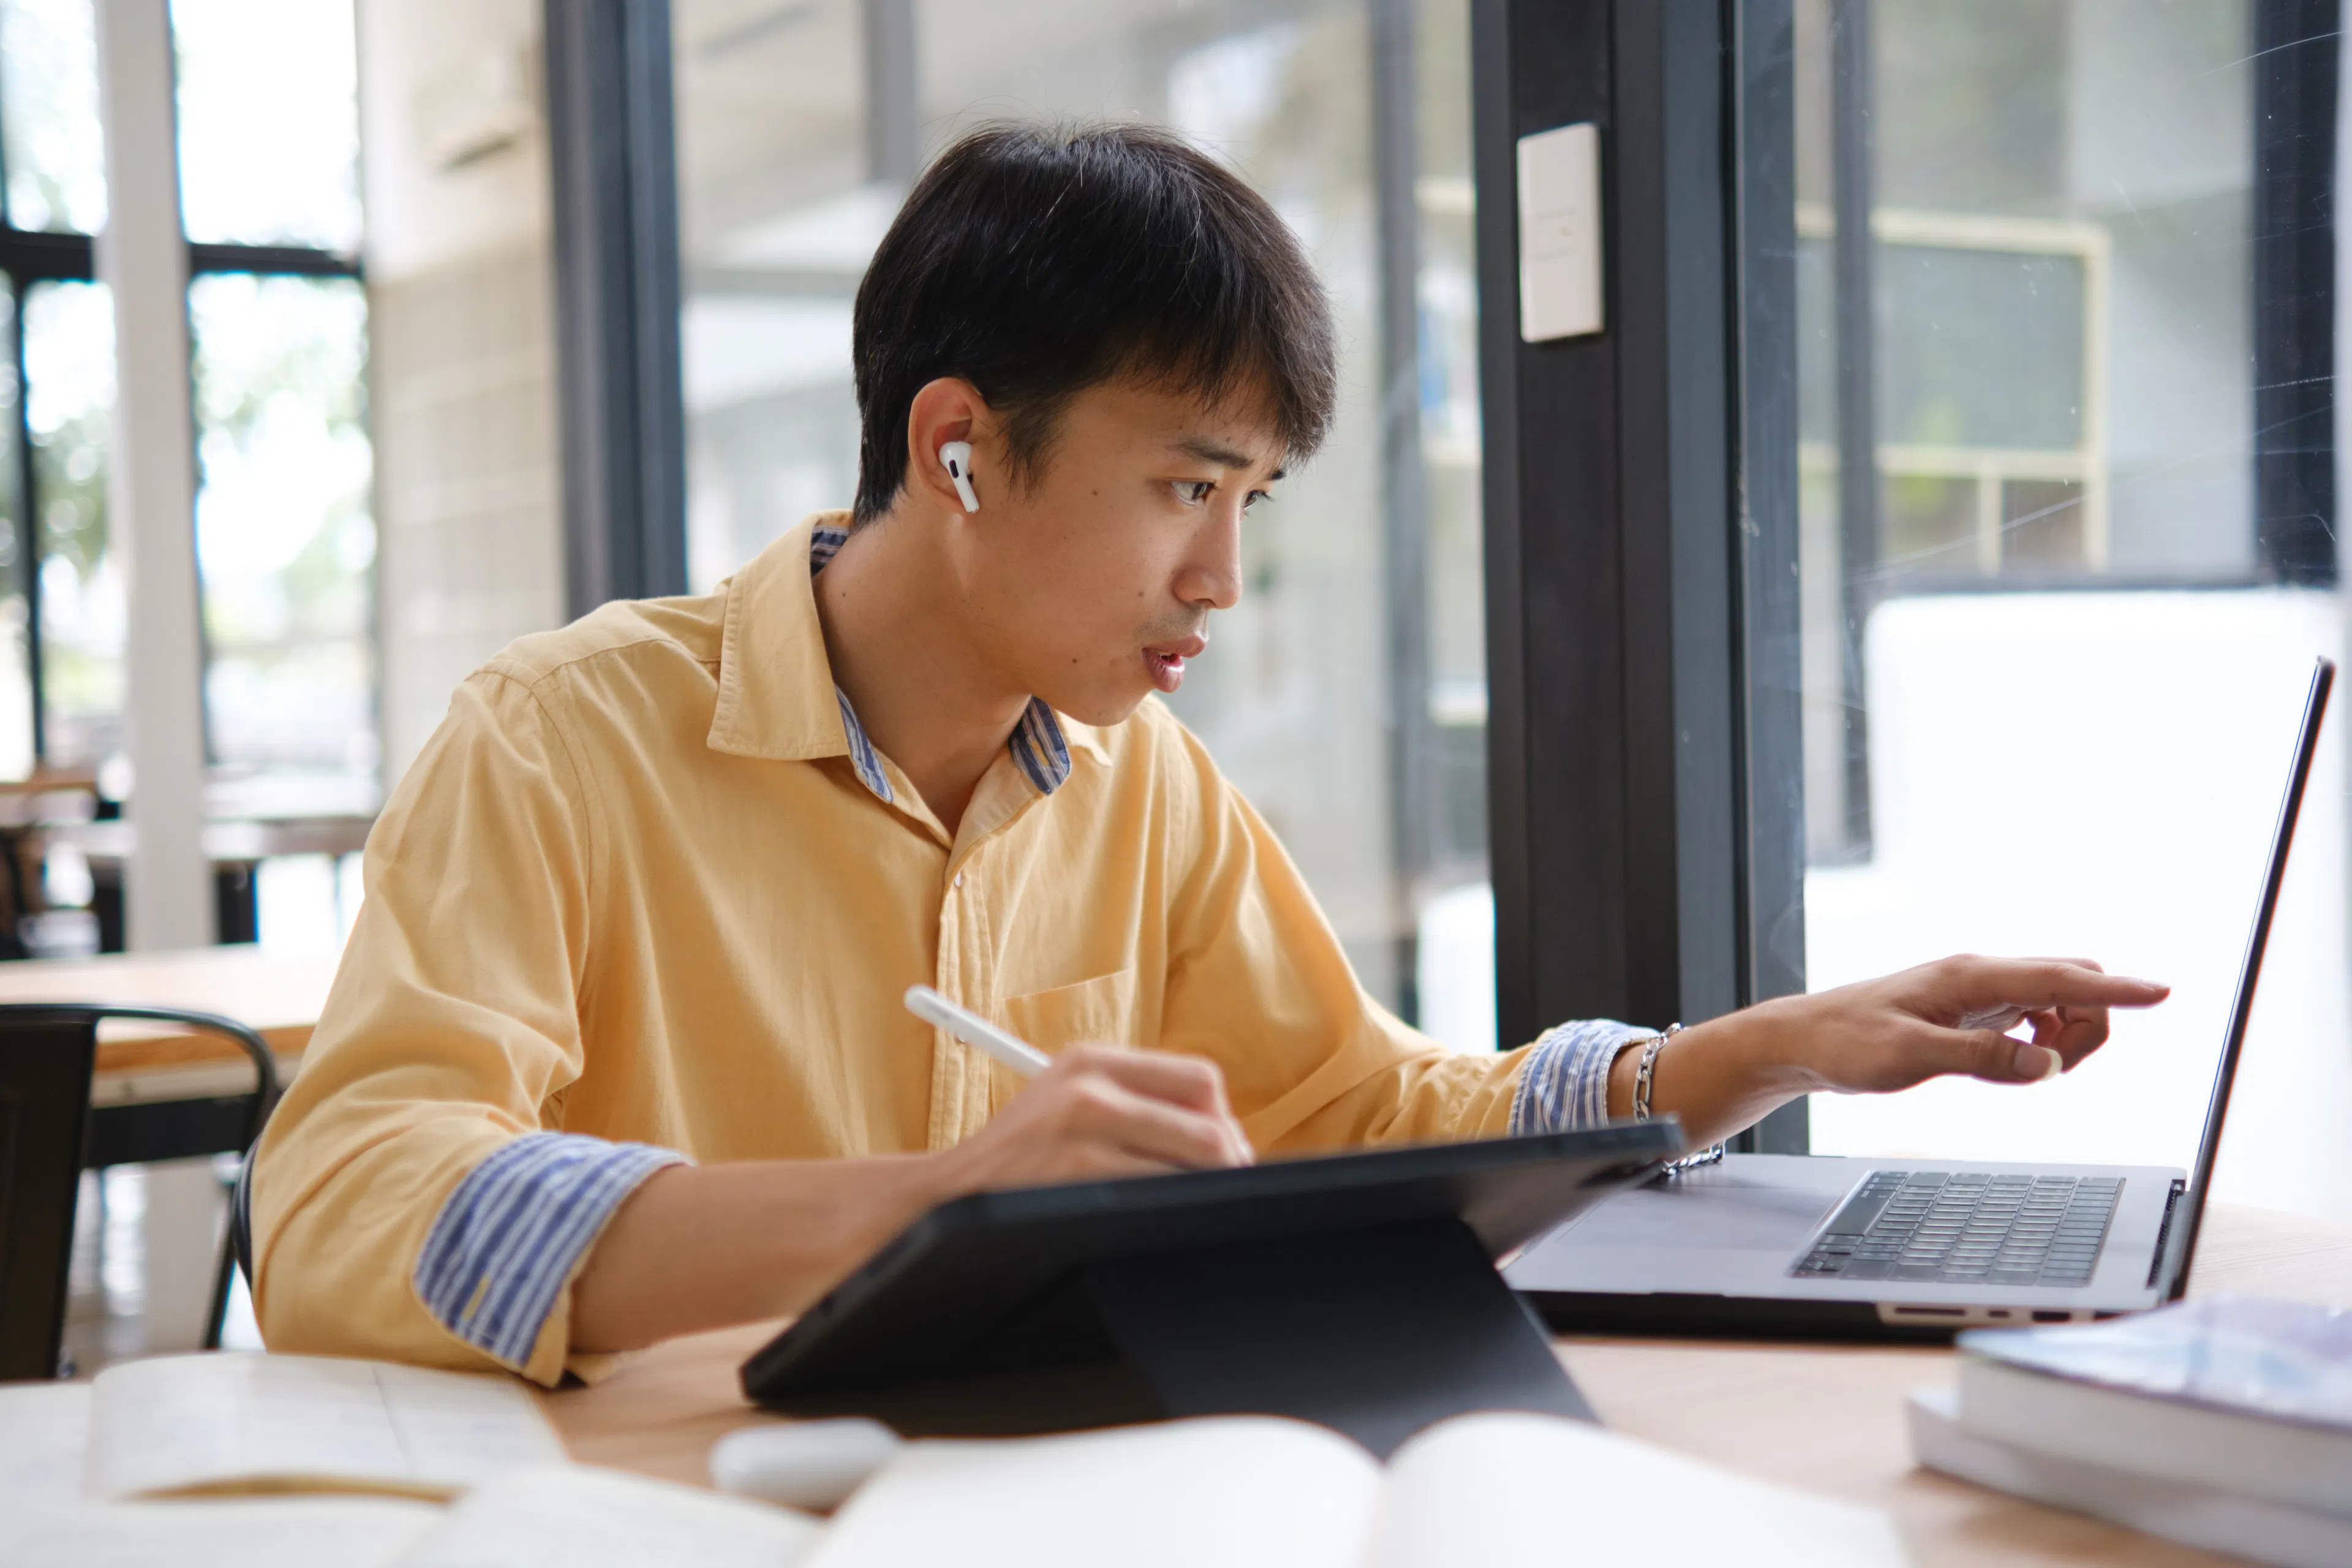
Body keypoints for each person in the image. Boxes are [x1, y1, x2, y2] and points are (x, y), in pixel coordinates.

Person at [249, 122, 2166, 1385]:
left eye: (1249, 498)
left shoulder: (1135, 774)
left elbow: (1352, 1113)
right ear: (960, 450)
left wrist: (1754, 1052)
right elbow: (339, 1210)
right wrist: (939, 1207)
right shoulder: (562, 738)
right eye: (1184, 485)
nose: (1222, 577)